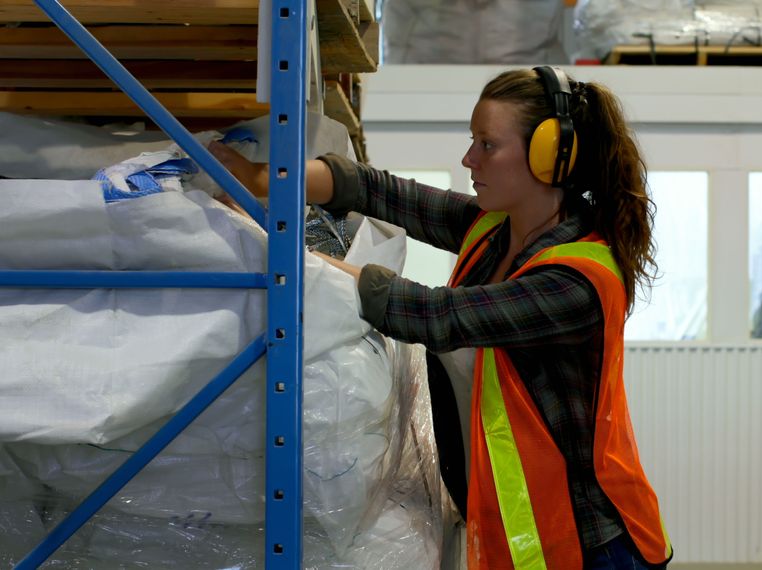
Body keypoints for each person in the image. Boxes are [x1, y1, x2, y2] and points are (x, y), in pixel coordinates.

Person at [210, 66, 672, 569]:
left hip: (590, 542)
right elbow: (381, 192)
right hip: (523, 533)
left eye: (487, 145)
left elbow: (434, 316)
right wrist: (259, 180)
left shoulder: (577, 281)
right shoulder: (494, 229)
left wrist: (283, 254)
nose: (469, 159)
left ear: (549, 157)